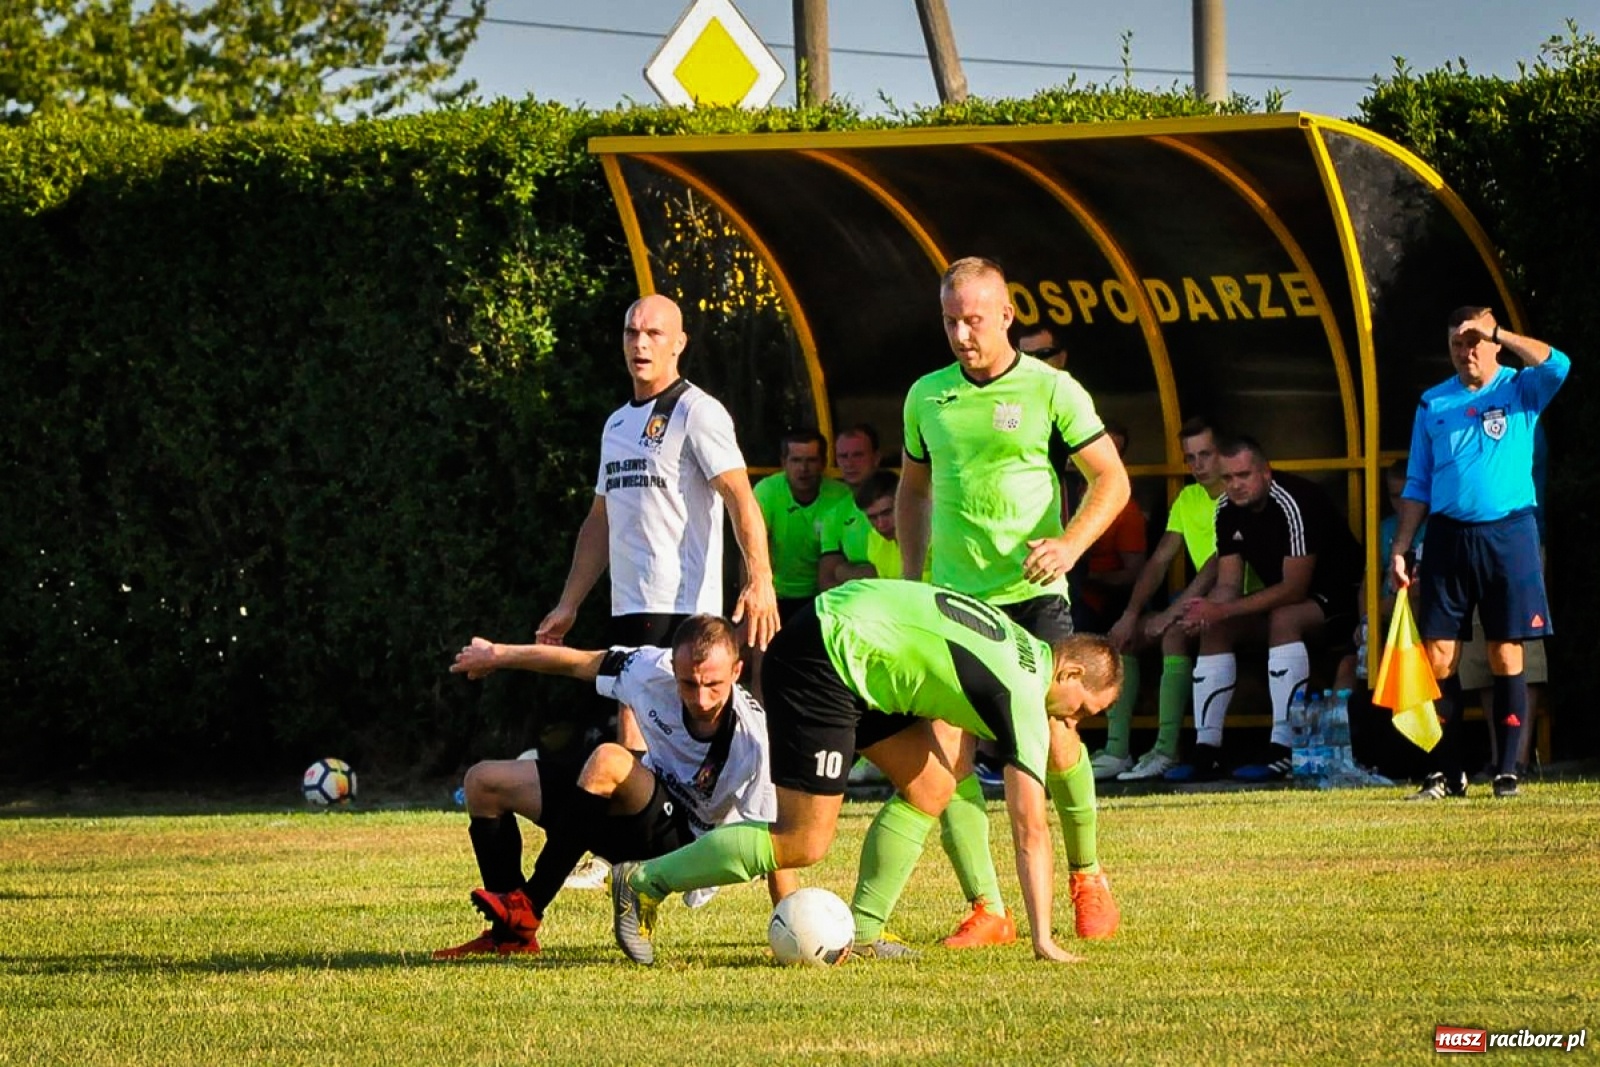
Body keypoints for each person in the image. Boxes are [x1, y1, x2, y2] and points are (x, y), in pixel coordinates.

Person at [608, 579, 1123, 966]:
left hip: (849, 642)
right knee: (803, 841)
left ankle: (867, 929)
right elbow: (1030, 829)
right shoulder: (1024, 698)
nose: (1072, 722)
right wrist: (1043, 939)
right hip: (824, 659)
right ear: (1070, 672)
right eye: (1082, 709)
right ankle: (646, 880)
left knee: (933, 785)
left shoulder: (1021, 649)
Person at [897, 256, 1132, 947]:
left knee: (1055, 736)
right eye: (950, 321)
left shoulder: (1052, 390)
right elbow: (912, 490)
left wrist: (1068, 545)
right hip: (954, 604)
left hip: (1033, 598)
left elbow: (1110, 481)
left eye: (974, 318)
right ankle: (987, 907)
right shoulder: (926, 397)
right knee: (946, 751)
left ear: (1006, 314)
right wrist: (915, 581)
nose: (963, 334)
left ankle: (1088, 874)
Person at [434, 615, 791, 957]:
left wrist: (788, 923)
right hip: (627, 811)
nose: (700, 699)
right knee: (483, 783)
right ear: (673, 667)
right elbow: (579, 663)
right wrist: (496, 654)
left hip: (677, 845)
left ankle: (529, 904)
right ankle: (509, 937)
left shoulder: (754, 741)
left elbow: (778, 843)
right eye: (688, 683)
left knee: (609, 759)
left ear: (736, 671)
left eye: (713, 685)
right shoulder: (651, 670)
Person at [536, 294, 780, 753]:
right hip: (629, 605)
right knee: (634, 734)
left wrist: (760, 577)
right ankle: (649, 825)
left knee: (683, 733)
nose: (640, 344)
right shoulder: (617, 424)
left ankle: (716, 814)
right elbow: (600, 521)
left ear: (679, 343)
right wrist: (569, 603)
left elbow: (741, 498)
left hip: (683, 605)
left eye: (654, 334)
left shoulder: (697, 412)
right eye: (632, 333)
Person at [1390, 307, 1568, 800]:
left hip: (1509, 534)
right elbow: (1418, 483)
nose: (1466, 353)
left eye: (1474, 342)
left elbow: (1560, 366)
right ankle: (1448, 772)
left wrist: (1501, 332)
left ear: (1491, 343)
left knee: (1506, 649)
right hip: (1448, 536)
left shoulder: (1519, 388)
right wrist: (1402, 547)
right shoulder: (1433, 403)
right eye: (1456, 345)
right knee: (1439, 654)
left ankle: (1507, 769)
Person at [1173, 436, 1362, 781]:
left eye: (1243, 475)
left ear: (1265, 472)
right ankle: (1207, 749)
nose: (1235, 486)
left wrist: (1222, 610)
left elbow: (1295, 588)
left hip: (1338, 600)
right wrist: (1207, 610)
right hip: (1287, 600)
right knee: (1214, 626)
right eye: (1228, 478)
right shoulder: (1226, 510)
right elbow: (1229, 583)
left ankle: (1284, 746)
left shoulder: (1294, 501)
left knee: (1283, 617)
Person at [1095, 416, 1229, 782]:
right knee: (1125, 636)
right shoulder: (1188, 497)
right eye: (1190, 458)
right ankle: (1116, 750)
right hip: (1197, 601)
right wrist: (1131, 613)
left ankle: (1167, 749)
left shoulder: (1237, 495)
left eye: (1206, 454)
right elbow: (1158, 560)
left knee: (1173, 632)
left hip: (1236, 602)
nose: (1198, 465)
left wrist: (1170, 612)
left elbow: (1217, 565)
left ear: (1224, 454)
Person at [753, 427, 853, 622]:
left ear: (824, 463)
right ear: (783, 463)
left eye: (811, 460)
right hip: (773, 597)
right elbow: (750, 551)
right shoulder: (767, 491)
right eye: (796, 460)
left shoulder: (841, 496)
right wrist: (754, 601)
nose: (803, 469)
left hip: (823, 598)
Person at [818, 423, 887, 591]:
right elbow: (826, 581)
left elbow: (902, 572)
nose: (850, 463)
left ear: (876, 458)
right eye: (843, 456)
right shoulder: (834, 514)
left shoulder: (902, 502)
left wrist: (845, 571)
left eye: (858, 455)